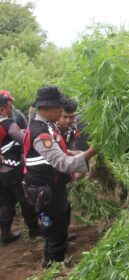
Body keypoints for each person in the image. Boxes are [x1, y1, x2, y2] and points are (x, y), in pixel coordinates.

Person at [22, 86, 97, 267]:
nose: (61, 111)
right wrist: (90, 153)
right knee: (55, 231)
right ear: (45, 109)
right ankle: (55, 268)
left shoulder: (47, 127)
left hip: (52, 187)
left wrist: (75, 152)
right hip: (45, 191)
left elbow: (59, 153)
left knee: (58, 225)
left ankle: (49, 261)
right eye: (58, 107)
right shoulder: (41, 133)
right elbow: (61, 163)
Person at [0, 91, 42, 245]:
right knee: (25, 199)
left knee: (5, 202)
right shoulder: (7, 124)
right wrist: (32, 125)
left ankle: (5, 234)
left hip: (1, 173)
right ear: (2, 110)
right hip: (13, 169)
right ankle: (34, 229)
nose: (12, 111)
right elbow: (23, 138)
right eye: (10, 108)